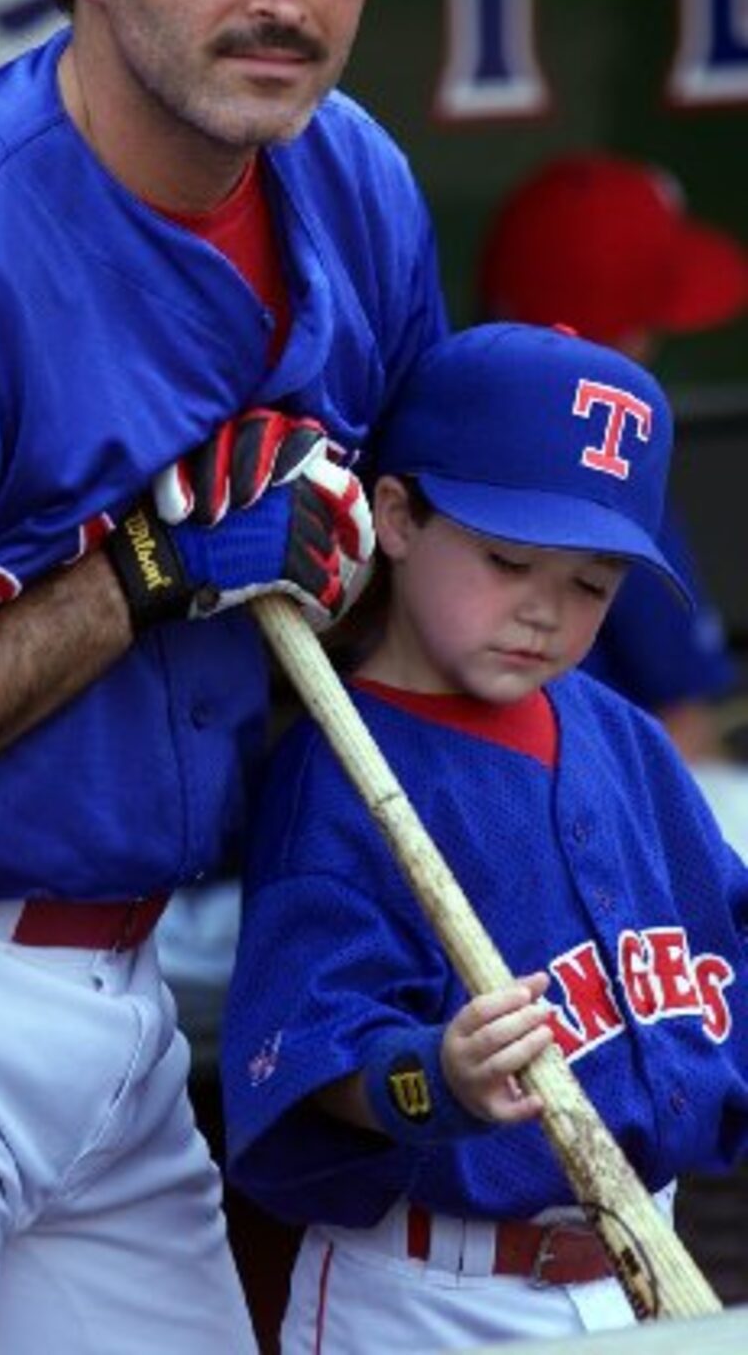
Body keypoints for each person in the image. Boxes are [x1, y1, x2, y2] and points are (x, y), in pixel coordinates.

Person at [0, 0, 447, 1351]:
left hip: (135, 995)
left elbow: (401, 571)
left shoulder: (353, 185)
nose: (285, 0)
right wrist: (137, 580)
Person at [221, 322, 748, 1353]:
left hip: (653, 1263)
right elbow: (308, 1052)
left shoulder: (625, 740)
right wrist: (434, 1076)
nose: (545, 613)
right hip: (435, 1288)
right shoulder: (337, 766)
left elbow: (723, 953)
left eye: (591, 584)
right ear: (398, 515)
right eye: (508, 560)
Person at [477, 152, 748, 768]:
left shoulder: (439, 426)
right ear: (631, 337)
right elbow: (685, 724)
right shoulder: (611, 461)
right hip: (595, 795)